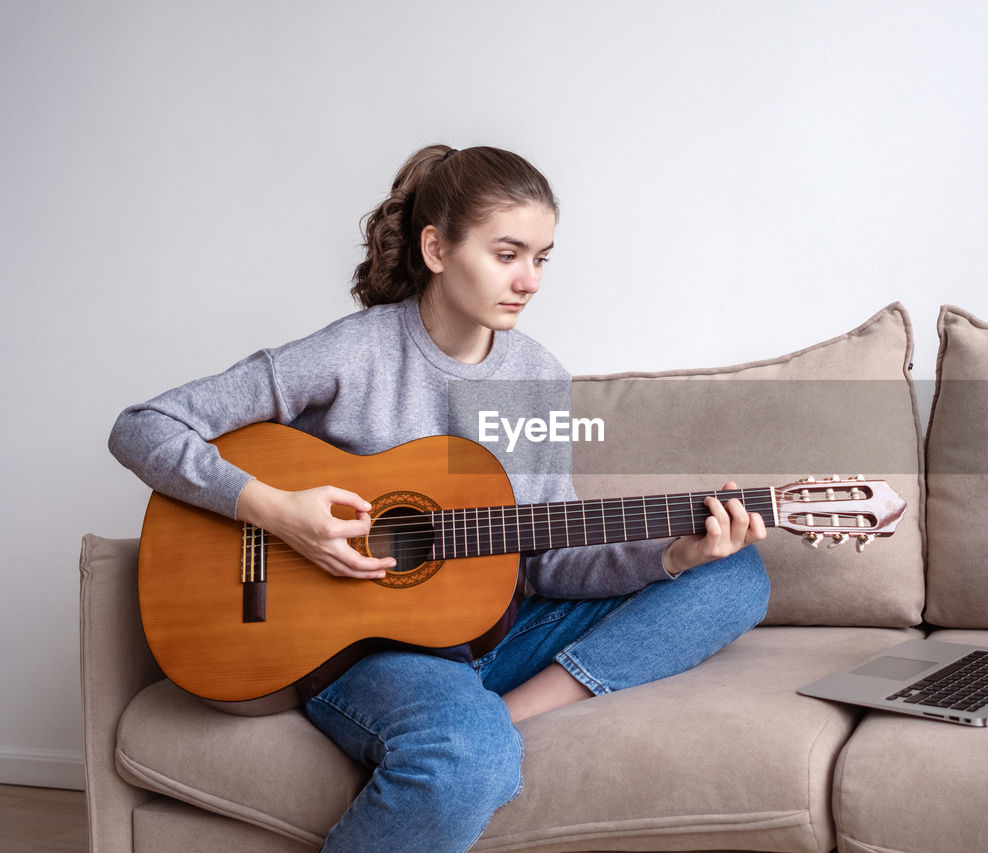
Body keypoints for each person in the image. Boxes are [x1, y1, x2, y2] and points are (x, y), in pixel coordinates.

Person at [109, 144, 771, 852]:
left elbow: (546, 561)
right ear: (437, 248)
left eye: (542, 258)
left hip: (500, 628)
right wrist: (275, 511)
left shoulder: (538, 378)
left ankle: (501, 710)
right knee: (466, 760)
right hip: (367, 649)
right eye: (508, 253)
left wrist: (673, 552)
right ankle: (472, 727)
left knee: (733, 572)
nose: (530, 280)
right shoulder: (352, 353)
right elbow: (143, 426)